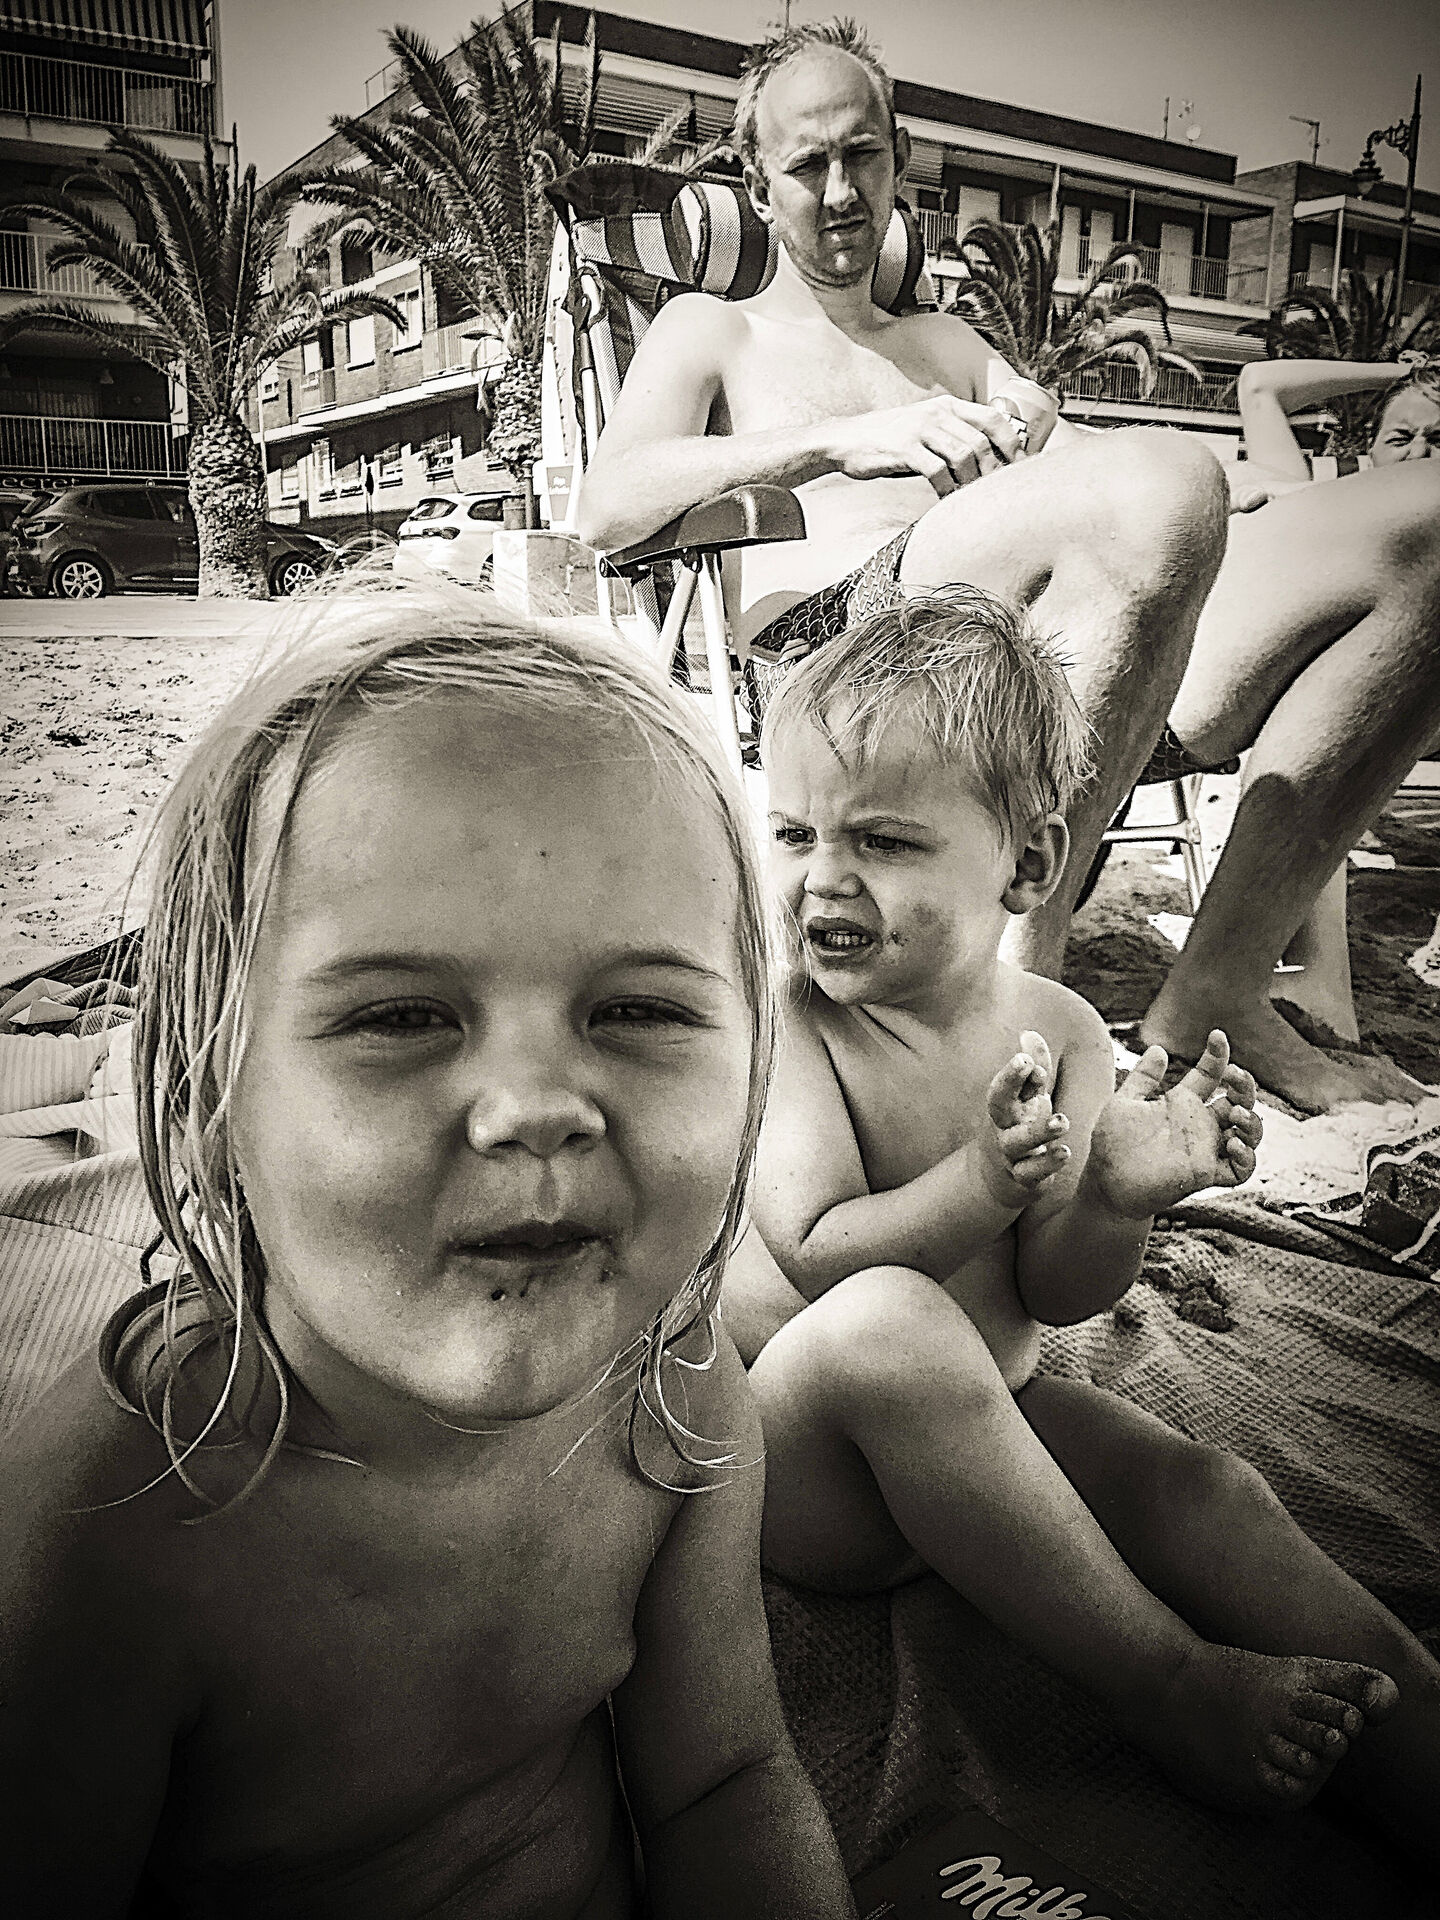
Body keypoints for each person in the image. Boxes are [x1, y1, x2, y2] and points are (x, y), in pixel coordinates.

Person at [0, 594, 855, 1919]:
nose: (536, 1108)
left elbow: (723, 1780)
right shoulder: (114, 1519)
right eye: (402, 1016)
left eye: (636, 1009)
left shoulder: (672, 1388)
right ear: (208, 1102)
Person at [575, 17, 1440, 1113]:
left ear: (899, 157)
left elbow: (1117, 482)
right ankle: (1014, 997)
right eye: (807, 164)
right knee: (1161, 481)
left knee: (1418, 525)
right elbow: (605, 506)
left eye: (864, 155)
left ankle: (1219, 983)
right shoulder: (713, 328)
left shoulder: (946, 343)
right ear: (758, 182)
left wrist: (1217, 477)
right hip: (844, 666)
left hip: (1052, 669)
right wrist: (842, 443)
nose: (840, 192)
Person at [726, 586, 1440, 1848]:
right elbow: (819, 1253)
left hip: (991, 1428)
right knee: (891, 1319)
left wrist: (1116, 1191)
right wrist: (982, 1184)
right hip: (811, 1470)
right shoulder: (800, 1026)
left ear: (1030, 864)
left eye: (881, 840)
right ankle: (1164, 1681)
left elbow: (1056, 1294)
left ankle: (1418, 1738)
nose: (823, 876)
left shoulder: (1056, 1030)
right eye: (792, 833)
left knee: (1203, 1488)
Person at [1188, 355, 1440, 1053]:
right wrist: (1398, 370)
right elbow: (1260, 384)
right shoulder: (1308, 494)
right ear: (1366, 450)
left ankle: (1315, 981)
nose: (1418, 455)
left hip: (1395, 694)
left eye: (1439, 439)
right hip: (1264, 693)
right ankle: (1317, 982)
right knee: (1325, 708)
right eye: (1400, 438)